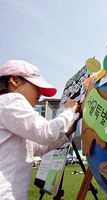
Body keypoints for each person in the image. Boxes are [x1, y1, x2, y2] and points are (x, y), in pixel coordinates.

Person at [0, 60, 80, 200]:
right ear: (14, 80)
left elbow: (36, 148)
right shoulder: (11, 100)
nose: (41, 93)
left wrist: (65, 134)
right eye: (36, 86)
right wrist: (70, 110)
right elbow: (45, 132)